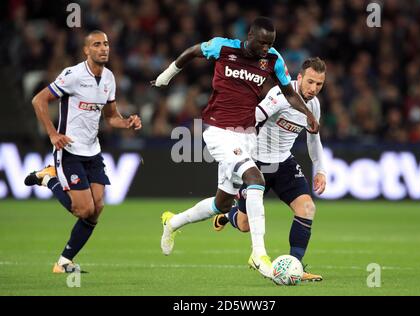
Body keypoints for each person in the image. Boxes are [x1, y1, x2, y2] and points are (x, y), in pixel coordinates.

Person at [151, 17, 319, 279]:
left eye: (270, 43)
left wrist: (307, 113)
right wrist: (167, 75)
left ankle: (172, 223)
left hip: (245, 136)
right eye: (262, 42)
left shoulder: (273, 59)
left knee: (221, 203)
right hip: (217, 131)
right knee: (256, 179)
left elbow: (288, 91)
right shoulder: (223, 47)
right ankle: (259, 254)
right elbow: (193, 51)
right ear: (249, 36)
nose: (266, 48)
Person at [24, 30, 142, 273]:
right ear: (86, 51)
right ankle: (48, 177)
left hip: (92, 150)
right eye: (97, 44)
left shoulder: (109, 78)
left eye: (106, 44)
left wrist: (127, 122)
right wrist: (52, 134)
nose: (103, 48)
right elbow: (39, 100)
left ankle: (64, 262)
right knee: (82, 209)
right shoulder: (73, 75)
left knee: (97, 209)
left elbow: (111, 118)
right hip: (69, 150)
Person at [212, 57, 327, 282]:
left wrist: (320, 170)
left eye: (319, 84)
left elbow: (314, 139)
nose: (314, 89)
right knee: (244, 225)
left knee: (307, 208)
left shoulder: (313, 105)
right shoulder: (279, 95)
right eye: (310, 82)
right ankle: (228, 214)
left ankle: (296, 266)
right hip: (256, 165)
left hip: (283, 162)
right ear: (299, 78)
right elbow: (252, 118)